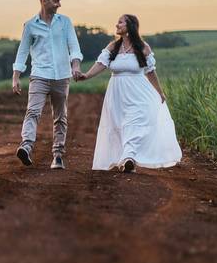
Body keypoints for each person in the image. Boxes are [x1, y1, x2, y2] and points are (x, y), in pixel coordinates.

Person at [76, 14, 182, 172]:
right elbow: (100, 64)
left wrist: (160, 92)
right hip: (117, 93)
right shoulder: (113, 46)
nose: (116, 25)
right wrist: (86, 76)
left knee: (135, 122)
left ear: (130, 26)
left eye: (120, 22)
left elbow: (151, 72)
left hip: (139, 92)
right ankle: (127, 159)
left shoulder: (143, 47)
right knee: (121, 125)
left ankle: (129, 157)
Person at [11, 0, 83, 169]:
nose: (59, 4)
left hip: (62, 76)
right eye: (56, 0)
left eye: (59, 0)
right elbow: (22, 52)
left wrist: (75, 64)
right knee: (32, 112)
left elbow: (74, 46)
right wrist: (16, 76)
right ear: (44, 1)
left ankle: (58, 155)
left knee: (60, 117)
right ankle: (26, 146)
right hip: (39, 75)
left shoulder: (65, 22)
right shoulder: (30, 25)